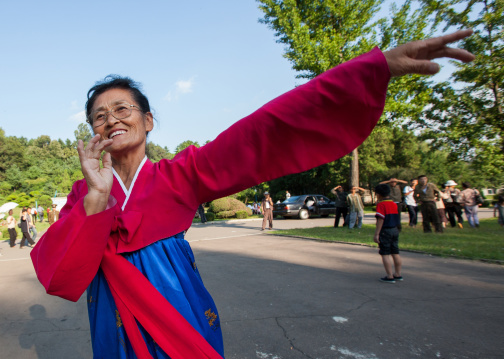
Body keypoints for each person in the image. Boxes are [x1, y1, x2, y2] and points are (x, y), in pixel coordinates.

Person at [30, 30, 474, 358]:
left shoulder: (180, 173)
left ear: (148, 121)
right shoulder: (82, 194)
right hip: (113, 321)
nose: (111, 120)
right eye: (98, 117)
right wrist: (95, 199)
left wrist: (372, 68)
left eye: (122, 109)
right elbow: (62, 279)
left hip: (177, 309)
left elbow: (264, 131)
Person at [373, 184, 402, 283]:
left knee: (385, 253)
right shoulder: (394, 204)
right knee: (395, 252)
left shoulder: (381, 205)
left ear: (378, 194)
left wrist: (377, 233)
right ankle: (398, 274)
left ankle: (389, 276)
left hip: (385, 230)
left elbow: (380, 220)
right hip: (395, 229)